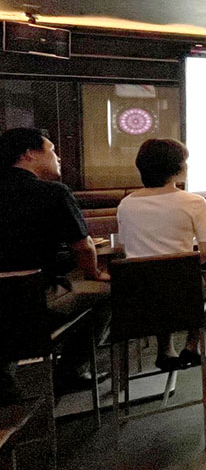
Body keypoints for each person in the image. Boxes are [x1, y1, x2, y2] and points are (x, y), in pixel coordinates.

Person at [0, 128, 110, 401]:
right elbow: (83, 247)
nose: (58, 157)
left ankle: (5, 377)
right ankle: (71, 370)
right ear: (28, 154)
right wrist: (94, 273)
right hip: (35, 304)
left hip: (6, 302)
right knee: (108, 293)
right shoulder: (52, 192)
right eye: (51, 150)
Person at [117, 139, 206, 371]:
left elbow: (126, 248)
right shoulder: (194, 202)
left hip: (138, 294)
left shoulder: (126, 204)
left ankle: (165, 349)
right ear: (176, 168)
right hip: (181, 290)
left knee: (158, 285)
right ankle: (192, 346)